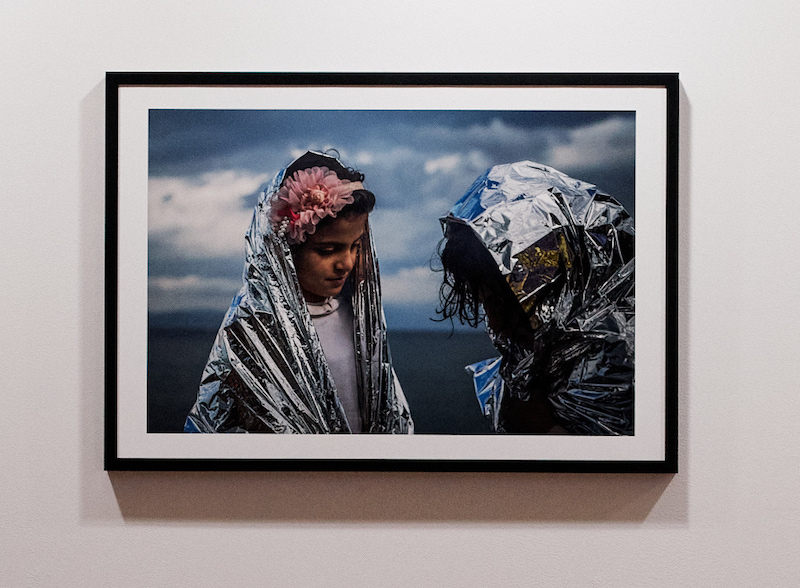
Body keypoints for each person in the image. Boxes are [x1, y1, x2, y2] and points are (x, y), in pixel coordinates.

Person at [185, 151, 413, 433]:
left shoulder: (361, 319)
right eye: (327, 250)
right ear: (285, 252)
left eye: (356, 246)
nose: (347, 263)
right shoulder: (253, 329)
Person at [436, 161, 634, 435]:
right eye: (485, 304)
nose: (495, 325)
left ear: (563, 288)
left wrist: (545, 430)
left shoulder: (635, 368)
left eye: (507, 303)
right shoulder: (536, 375)